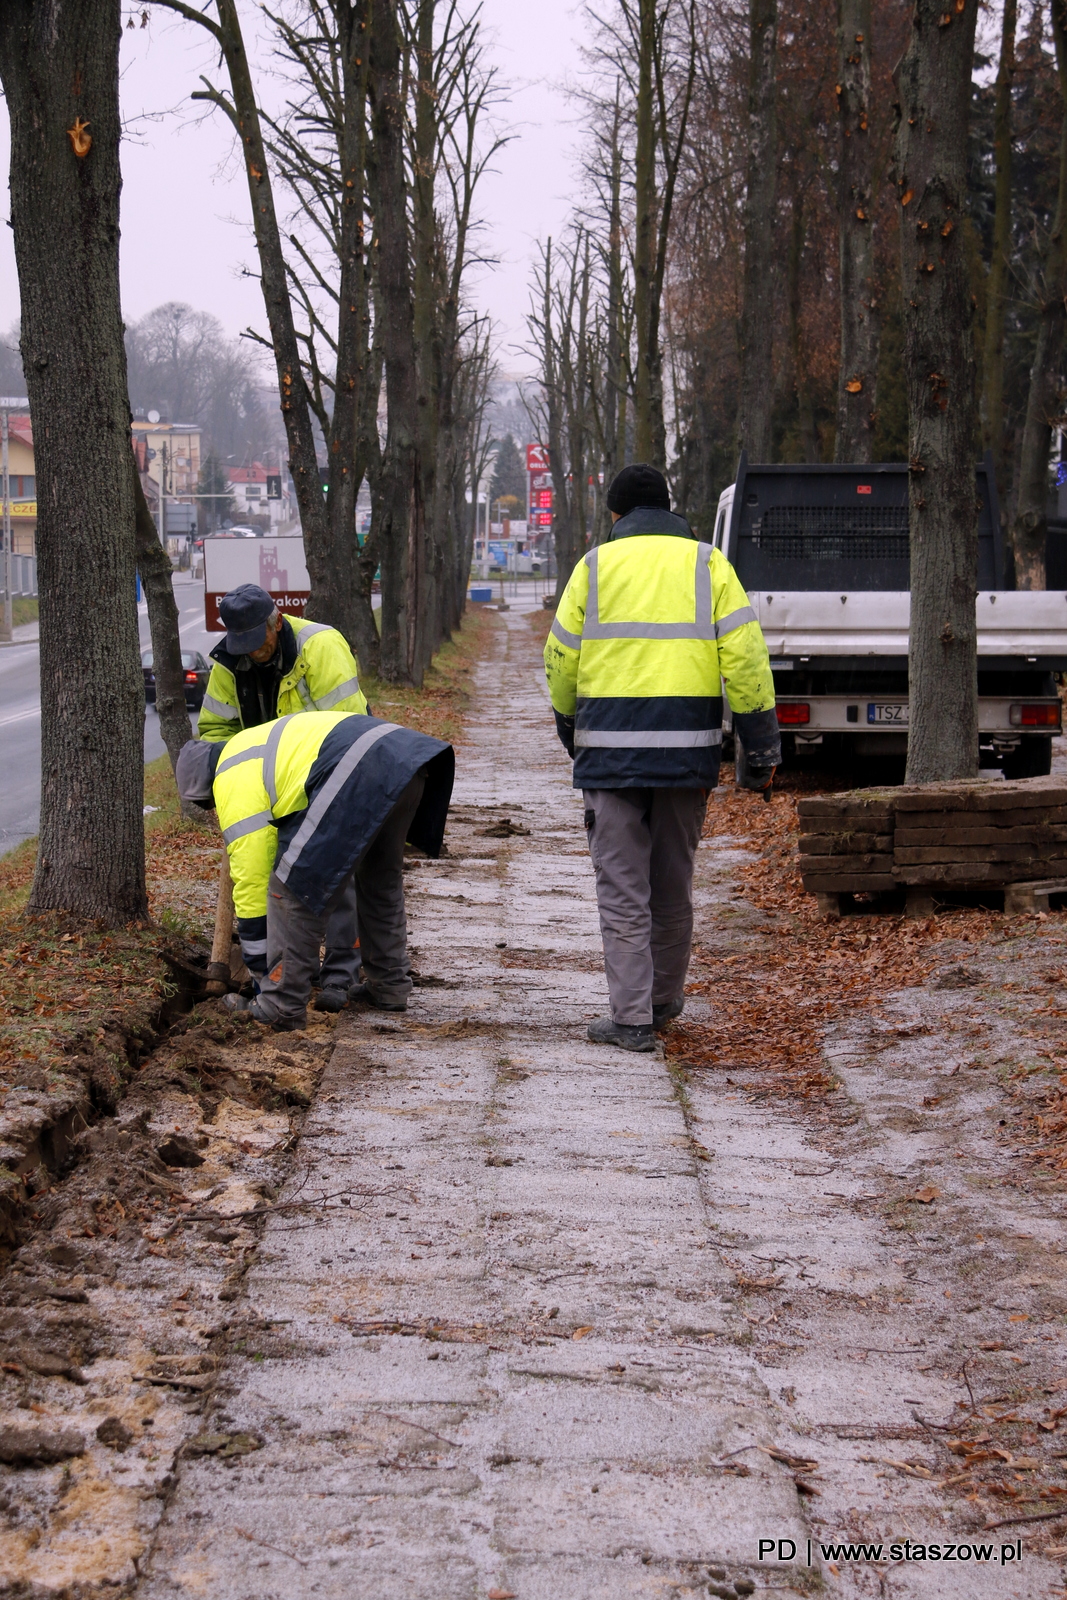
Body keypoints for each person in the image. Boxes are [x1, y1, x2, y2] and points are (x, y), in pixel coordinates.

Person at [544, 462, 780, 1053]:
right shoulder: (708, 564)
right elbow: (747, 659)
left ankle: (630, 1020)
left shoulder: (594, 567)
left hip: (610, 756)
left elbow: (560, 659)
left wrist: (568, 723)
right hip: (687, 757)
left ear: (617, 515)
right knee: (673, 883)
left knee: (623, 888)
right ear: (670, 509)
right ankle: (663, 1000)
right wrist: (761, 743)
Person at [176, 711, 454, 1031]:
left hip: (358, 766)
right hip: (405, 761)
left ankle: (281, 1004)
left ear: (202, 786)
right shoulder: (252, 744)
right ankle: (389, 985)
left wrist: (259, 974)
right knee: (379, 882)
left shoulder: (230, 776)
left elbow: (254, 883)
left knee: (293, 886)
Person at [198, 584, 370, 1007]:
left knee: (337, 878)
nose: (253, 653)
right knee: (271, 880)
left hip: (326, 775)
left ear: (276, 622)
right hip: (265, 785)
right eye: (242, 645)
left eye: (259, 642)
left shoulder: (322, 647)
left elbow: (351, 727)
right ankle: (285, 973)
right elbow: (214, 731)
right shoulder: (228, 663)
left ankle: (340, 977)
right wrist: (240, 778)